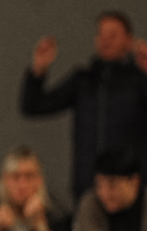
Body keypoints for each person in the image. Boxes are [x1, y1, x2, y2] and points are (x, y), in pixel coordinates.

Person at [20, 11, 147, 199]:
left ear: (129, 41)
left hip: (129, 185)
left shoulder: (139, 81)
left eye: (112, 35)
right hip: (87, 183)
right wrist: (39, 69)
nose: (105, 40)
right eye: (101, 34)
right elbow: (33, 106)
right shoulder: (83, 80)